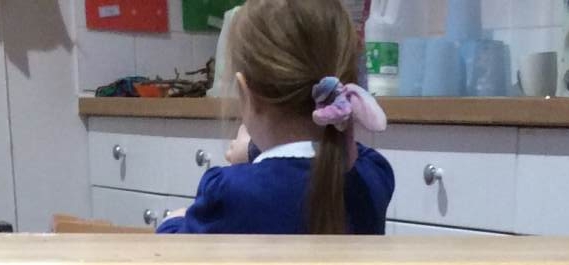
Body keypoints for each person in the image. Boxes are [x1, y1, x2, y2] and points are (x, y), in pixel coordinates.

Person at [158, 0, 393, 237]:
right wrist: (252, 151)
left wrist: (171, 221)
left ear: (245, 92)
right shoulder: (374, 176)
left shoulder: (229, 191)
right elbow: (345, 155)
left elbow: (175, 252)